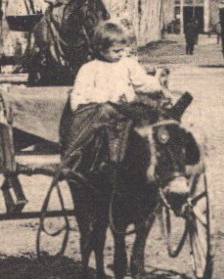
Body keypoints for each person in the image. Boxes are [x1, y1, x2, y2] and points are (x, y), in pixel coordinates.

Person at [61, 21, 171, 174]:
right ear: (101, 49)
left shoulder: (128, 64)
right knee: (90, 134)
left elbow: (142, 82)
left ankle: (154, 160)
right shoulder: (89, 69)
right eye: (116, 51)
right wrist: (86, 106)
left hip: (127, 111)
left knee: (149, 123)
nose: (121, 54)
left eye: (123, 50)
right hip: (101, 114)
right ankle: (79, 161)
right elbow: (79, 96)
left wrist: (159, 86)